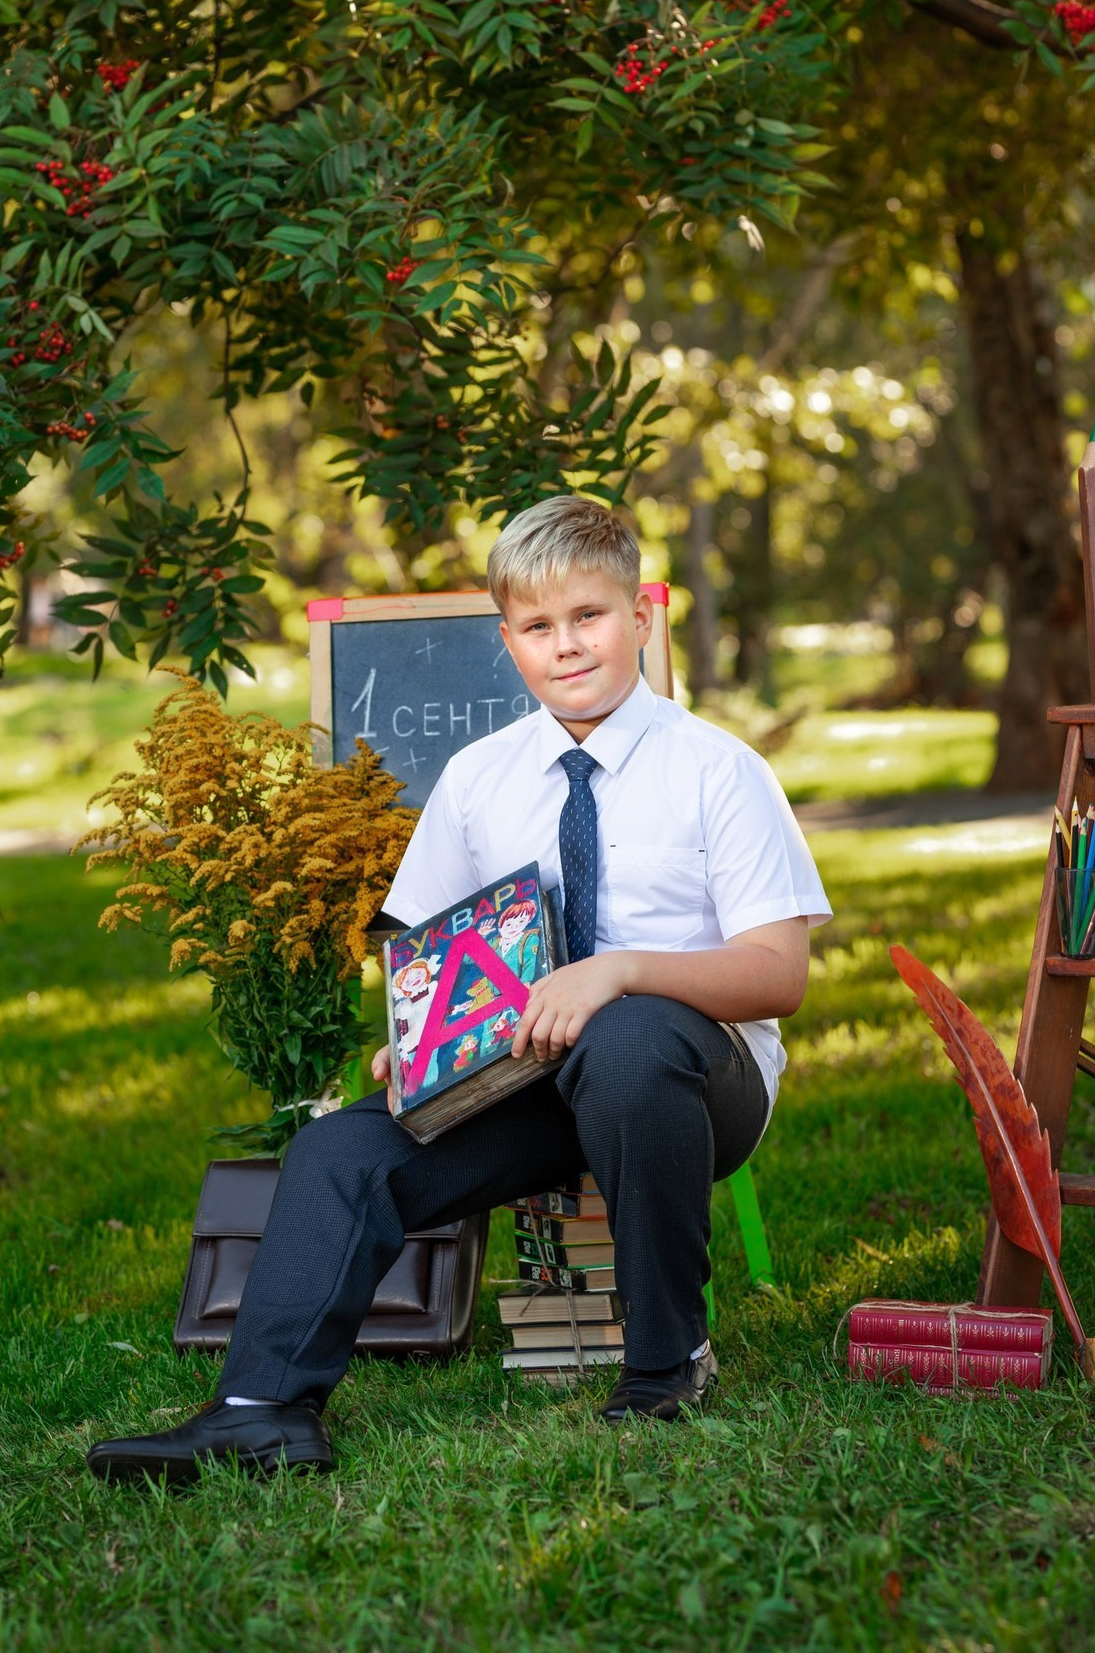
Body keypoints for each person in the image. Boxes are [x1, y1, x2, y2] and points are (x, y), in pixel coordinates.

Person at [87, 496, 831, 1483]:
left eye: (589, 617)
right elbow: (426, 945)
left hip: (689, 1084)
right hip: (525, 1073)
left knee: (628, 1038)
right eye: (536, 627)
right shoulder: (480, 779)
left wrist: (614, 971)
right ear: (507, 643)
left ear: (641, 620)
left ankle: (664, 1368)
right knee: (341, 1147)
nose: (564, 647)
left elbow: (778, 977)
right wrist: (421, 1033)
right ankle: (260, 1410)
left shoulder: (718, 772)